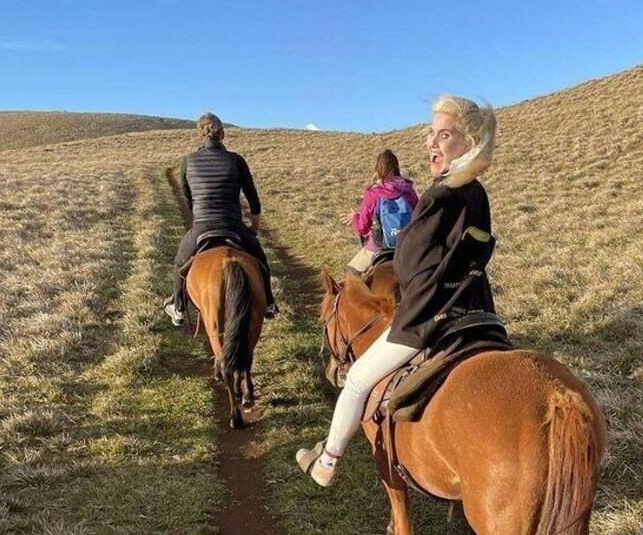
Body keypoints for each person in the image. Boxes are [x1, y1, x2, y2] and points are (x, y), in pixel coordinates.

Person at [297, 95, 499, 486]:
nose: (432, 143)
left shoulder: (441, 194)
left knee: (356, 380)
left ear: (469, 141)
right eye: (430, 133)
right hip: (479, 311)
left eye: (444, 135)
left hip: (429, 316)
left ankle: (327, 461)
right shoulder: (477, 193)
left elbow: (406, 265)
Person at [164, 112, 278, 326]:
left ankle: (178, 307)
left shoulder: (188, 162)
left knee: (180, 262)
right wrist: (254, 226)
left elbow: (188, 200)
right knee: (260, 258)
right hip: (233, 224)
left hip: (202, 225)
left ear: (199, 136)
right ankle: (269, 303)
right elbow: (253, 199)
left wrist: (198, 219)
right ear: (223, 134)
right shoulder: (236, 161)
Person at [340, 149, 418, 275]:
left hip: (379, 247)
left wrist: (355, 217)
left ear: (377, 168)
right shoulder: (409, 190)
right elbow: (418, 216)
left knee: (350, 274)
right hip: (407, 246)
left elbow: (362, 228)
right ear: (396, 166)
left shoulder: (374, 193)